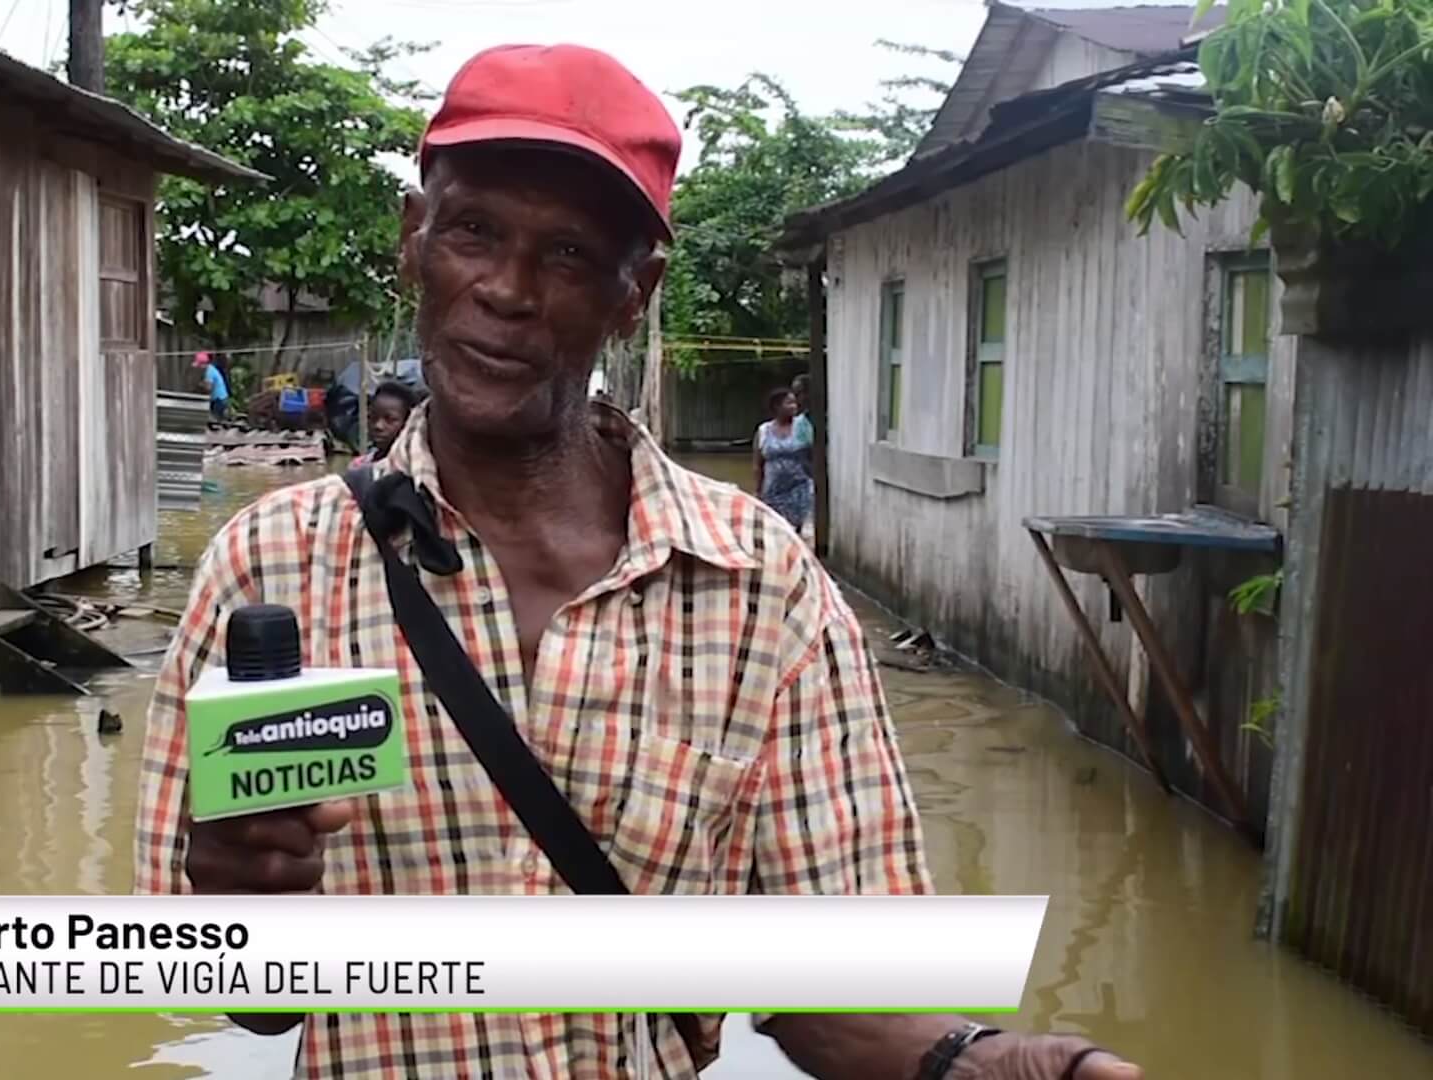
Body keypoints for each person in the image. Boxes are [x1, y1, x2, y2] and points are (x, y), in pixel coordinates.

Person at [137, 43, 1140, 1080]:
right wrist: (237, 904)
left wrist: (972, 1064)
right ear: (413, 239)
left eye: (568, 254)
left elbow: (836, 993)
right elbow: (241, 1008)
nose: (508, 290)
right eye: (474, 230)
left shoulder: (762, 589)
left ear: (635, 291)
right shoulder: (269, 569)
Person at [754, 376, 815, 534]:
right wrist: (757, 491)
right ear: (776, 407)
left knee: (796, 533)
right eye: (789, 403)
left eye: (795, 402)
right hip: (773, 492)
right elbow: (758, 465)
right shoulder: (763, 431)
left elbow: (812, 454)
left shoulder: (802, 426)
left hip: (799, 489)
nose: (794, 406)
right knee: (774, 531)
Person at [349, 380, 424, 469]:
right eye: (372, 417)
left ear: (407, 421)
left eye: (390, 420)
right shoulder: (359, 466)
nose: (378, 426)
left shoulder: (415, 468)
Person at [195, 350, 230, 422]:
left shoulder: (209, 372)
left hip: (219, 400)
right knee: (217, 422)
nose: (198, 367)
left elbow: (208, 388)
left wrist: (201, 385)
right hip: (221, 398)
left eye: (199, 365)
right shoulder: (211, 369)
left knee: (215, 422)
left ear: (203, 364)